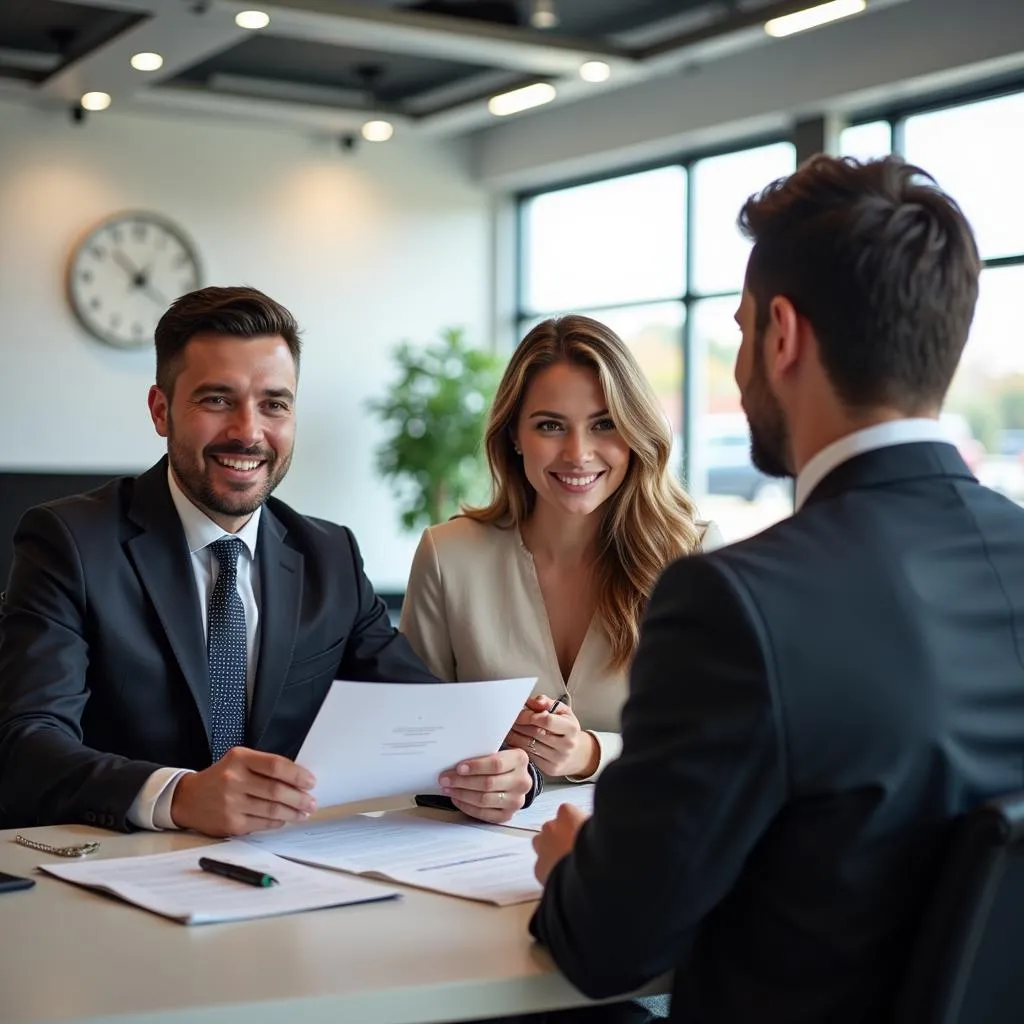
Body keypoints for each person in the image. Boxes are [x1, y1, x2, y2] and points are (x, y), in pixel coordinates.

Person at [528, 154, 1024, 1023]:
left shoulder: (736, 605)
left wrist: (576, 868)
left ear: (782, 335)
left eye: (741, 328)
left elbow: (609, 947)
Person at [0, 286, 536, 836]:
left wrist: (502, 772)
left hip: (286, 875)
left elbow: (424, 719)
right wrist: (178, 795)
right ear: (161, 411)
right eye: (216, 400)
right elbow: (27, 743)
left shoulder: (330, 556)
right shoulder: (70, 542)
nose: (249, 432)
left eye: (274, 404)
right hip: (112, 869)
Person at [401, 315, 721, 787]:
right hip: (472, 845)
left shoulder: (690, 557)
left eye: (604, 424)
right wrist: (479, 767)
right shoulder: (448, 556)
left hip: (641, 844)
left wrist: (593, 752)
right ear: (513, 434)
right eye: (550, 426)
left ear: (635, 432)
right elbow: (410, 734)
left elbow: (720, 738)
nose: (577, 453)